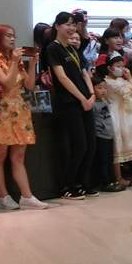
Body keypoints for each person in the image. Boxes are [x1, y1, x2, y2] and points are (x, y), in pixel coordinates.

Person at [0, 25, 48, 209]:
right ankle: (3, 196)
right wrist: (13, 61)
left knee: (18, 156)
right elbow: (7, 83)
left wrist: (33, 63)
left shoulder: (16, 60)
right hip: (1, 112)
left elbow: (28, 85)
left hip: (20, 111)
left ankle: (26, 196)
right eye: (8, 36)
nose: (12, 39)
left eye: (14, 36)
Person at [46, 11, 96, 200]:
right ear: (57, 26)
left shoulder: (73, 48)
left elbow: (85, 73)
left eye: (73, 25)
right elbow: (62, 77)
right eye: (67, 24)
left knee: (90, 145)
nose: (71, 28)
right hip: (69, 103)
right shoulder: (53, 48)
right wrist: (81, 98)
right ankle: (67, 185)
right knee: (79, 145)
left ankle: (82, 183)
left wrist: (91, 95)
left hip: (86, 100)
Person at [104, 54, 132, 186]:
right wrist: (130, 79)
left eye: (122, 66)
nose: (121, 69)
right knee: (118, 145)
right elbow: (125, 91)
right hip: (116, 114)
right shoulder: (108, 82)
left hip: (128, 114)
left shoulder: (123, 81)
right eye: (118, 66)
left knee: (129, 143)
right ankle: (118, 177)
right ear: (109, 68)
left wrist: (129, 79)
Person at [91, 75, 124, 193]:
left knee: (109, 159)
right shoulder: (93, 104)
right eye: (99, 88)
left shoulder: (106, 101)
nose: (103, 90)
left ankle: (110, 180)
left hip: (109, 135)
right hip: (100, 136)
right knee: (103, 160)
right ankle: (104, 182)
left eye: (105, 88)